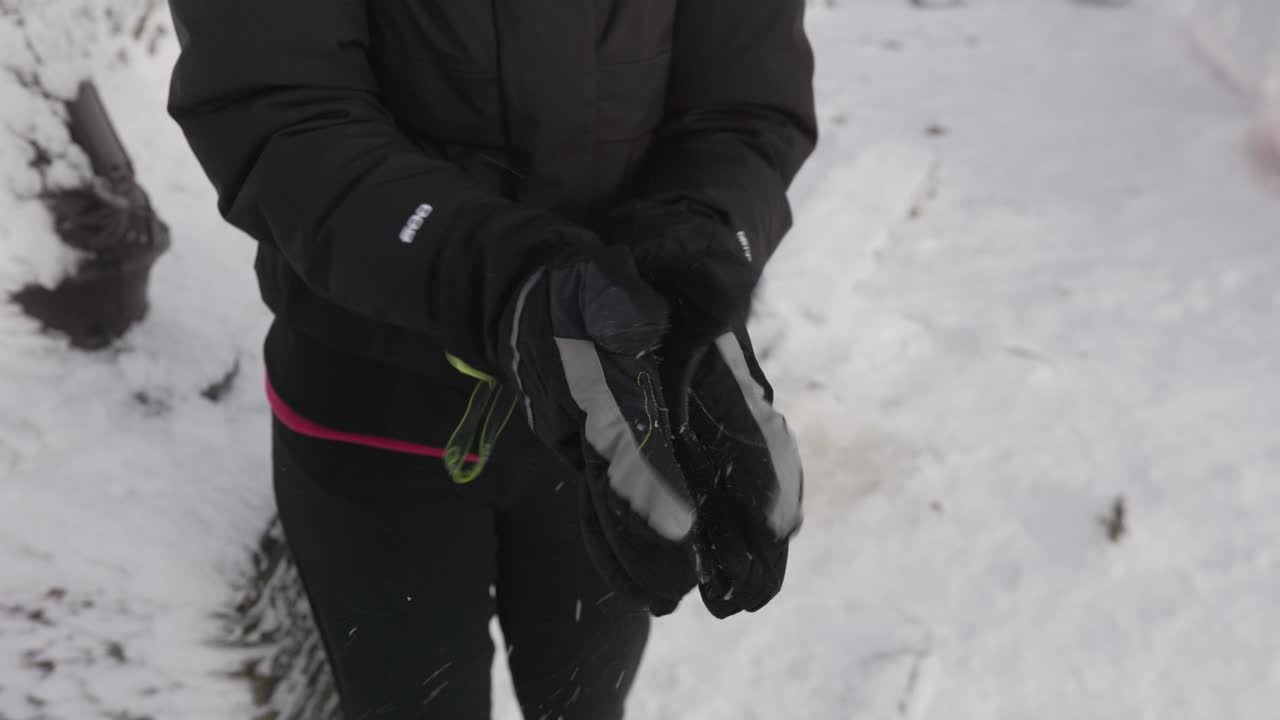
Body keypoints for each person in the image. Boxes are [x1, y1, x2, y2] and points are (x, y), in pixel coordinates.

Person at [167, 0, 815, 717]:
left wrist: (696, 247)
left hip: (612, 413)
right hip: (374, 414)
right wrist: (509, 283)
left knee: (584, 705)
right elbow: (279, 111)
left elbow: (744, 101)